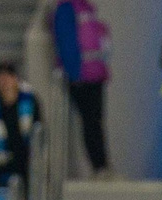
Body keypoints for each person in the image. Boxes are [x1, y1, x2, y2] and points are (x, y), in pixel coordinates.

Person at [53, 0, 113, 174]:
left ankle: (102, 164)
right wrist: (74, 75)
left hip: (95, 74)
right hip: (82, 77)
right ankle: (99, 165)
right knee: (90, 122)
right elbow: (66, 41)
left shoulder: (87, 8)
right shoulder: (66, 9)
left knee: (96, 121)